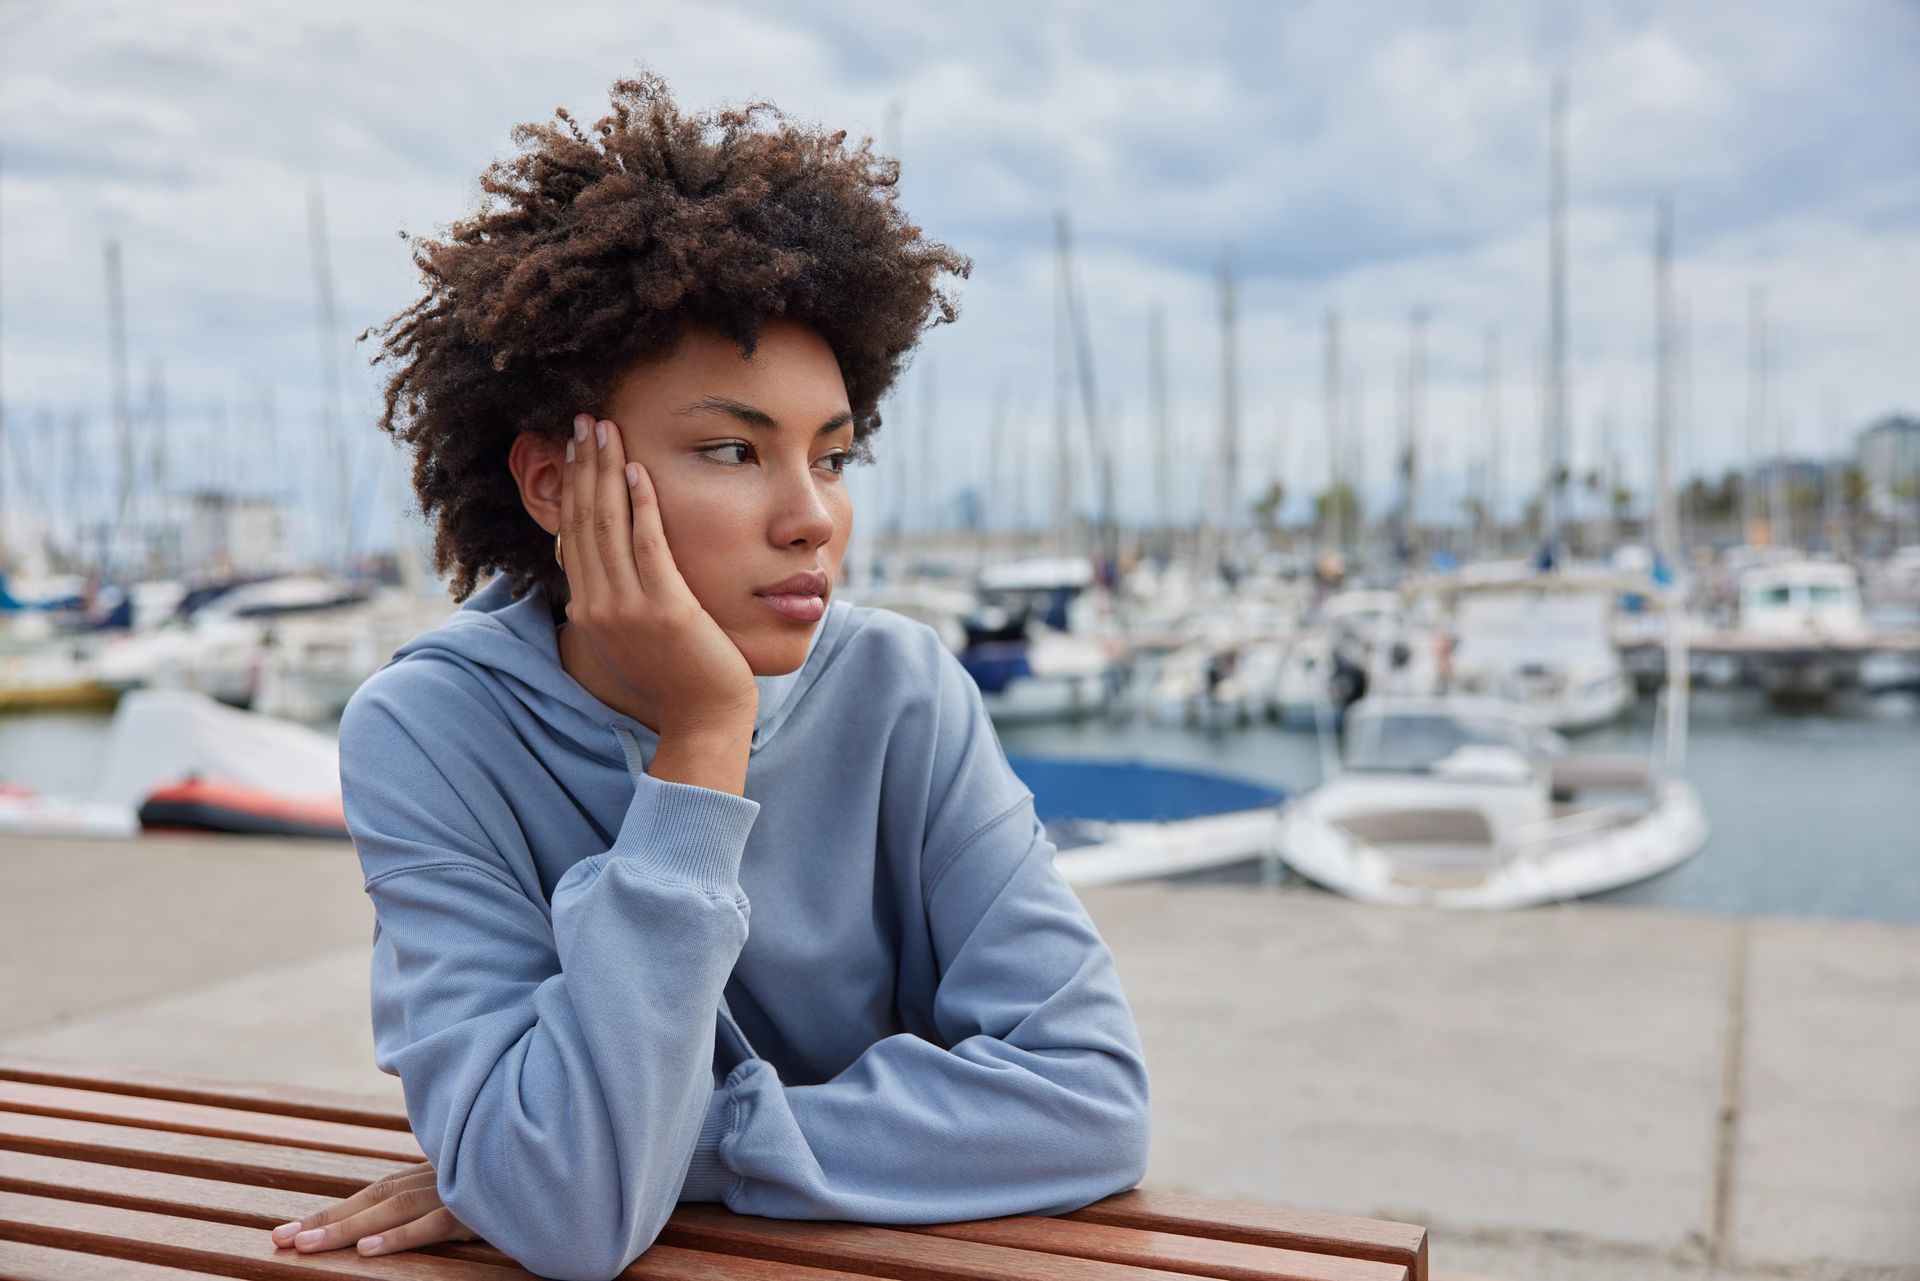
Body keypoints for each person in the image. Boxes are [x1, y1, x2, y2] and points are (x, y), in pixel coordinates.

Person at [265, 73, 1151, 1281]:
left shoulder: (904, 690)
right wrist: (703, 740)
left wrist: (664, 1142)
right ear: (548, 485)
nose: (810, 521)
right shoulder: (428, 733)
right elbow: (575, 1222)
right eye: (732, 450)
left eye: (833, 458)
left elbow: (1090, 1102)